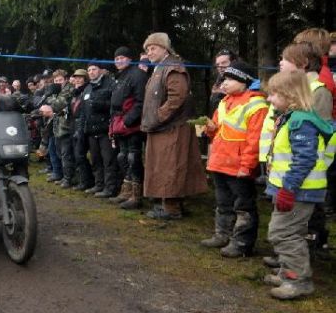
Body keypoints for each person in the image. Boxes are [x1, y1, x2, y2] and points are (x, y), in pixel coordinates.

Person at [262, 70, 335, 299]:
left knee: (283, 233)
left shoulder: (301, 122)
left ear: (289, 95)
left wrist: (288, 189)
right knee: (289, 231)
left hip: (299, 191)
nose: (269, 99)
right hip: (292, 189)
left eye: (273, 94)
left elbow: (304, 160)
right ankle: (287, 272)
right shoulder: (293, 117)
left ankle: (298, 280)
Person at [200, 61, 268, 257]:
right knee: (223, 202)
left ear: (244, 81)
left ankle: (242, 243)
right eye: (224, 79)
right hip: (219, 162)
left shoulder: (256, 105)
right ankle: (222, 234)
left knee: (243, 206)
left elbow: (254, 141)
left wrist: (247, 166)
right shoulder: (223, 102)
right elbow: (217, 130)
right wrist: (209, 129)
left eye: (230, 79)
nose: (224, 83)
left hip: (238, 166)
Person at [140, 32, 207, 219]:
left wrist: (158, 117)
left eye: (153, 48)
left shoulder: (173, 67)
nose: (149, 52)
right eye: (147, 49)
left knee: (171, 167)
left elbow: (177, 97)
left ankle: (172, 208)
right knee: (163, 167)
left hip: (172, 128)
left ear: (165, 49)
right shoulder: (160, 68)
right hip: (161, 128)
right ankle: (167, 204)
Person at [108, 46, 147, 209]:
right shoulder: (119, 77)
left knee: (133, 157)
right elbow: (114, 104)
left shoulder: (138, 75)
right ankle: (126, 190)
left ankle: (137, 195)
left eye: (122, 57)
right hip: (119, 123)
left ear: (130, 59)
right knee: (122, 157)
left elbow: (140, 101)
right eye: (116, 58)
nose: (119, 61)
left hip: (133, 125)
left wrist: (128, 121)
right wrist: (113, 125)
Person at [82, 62, 119, 197]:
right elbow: (83, 111)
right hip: (91, 130)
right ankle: (99, 185)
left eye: (94, 69)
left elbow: (115, 105)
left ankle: (110, 188)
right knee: (96, 160)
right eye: (89, 70)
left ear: (101, 70)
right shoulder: (87, 88)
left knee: (108, 160)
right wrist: (83, 128)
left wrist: (101, 105)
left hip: (106, 129)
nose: (91, 72)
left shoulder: (110, 84)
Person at [40, 70, 75, 187]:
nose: (58, 82)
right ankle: (62, 176)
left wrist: (49, 100)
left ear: (66, 79)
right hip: (57, 127)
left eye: (60, 80)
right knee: (59, 153)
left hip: (67, 127)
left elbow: (57, 105)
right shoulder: (57, 91)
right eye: (56, 80)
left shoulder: (69, 89)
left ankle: (68, 179)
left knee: (66, 155)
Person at [209, 49, 237, 115]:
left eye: (224, 63)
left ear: (234, 62)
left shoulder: (242, 81)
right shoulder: (218, 80)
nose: (220, 67)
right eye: (218, 64)